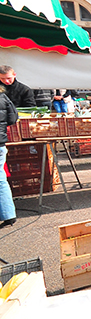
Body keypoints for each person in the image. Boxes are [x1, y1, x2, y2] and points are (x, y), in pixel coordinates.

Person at [0, 84, 17, 228]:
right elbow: (13, 118)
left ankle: (8, 214)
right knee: (1, 180)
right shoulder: (3, 97)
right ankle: (8, 214)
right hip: (0, 143)